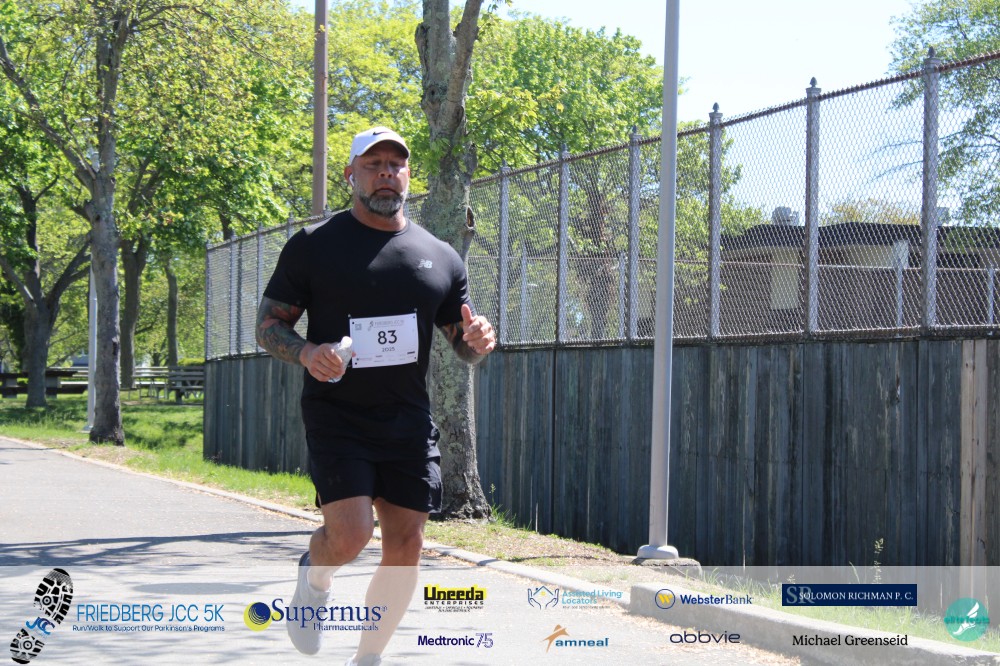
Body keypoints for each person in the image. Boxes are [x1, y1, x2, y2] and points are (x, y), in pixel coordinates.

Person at [255, 126, 496, 665]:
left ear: (409, 176)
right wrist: (306, 352)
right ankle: (314, 581)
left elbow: (462, 344)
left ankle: (367, 658)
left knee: (406, 547)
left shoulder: (439, 256)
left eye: (396, 164)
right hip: (337, 416)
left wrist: (478, 341)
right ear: (351, 175)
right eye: (373, 164)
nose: (386, 173)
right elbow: (268, 326)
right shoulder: (314, 247)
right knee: (350, 536)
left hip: (407, 421)